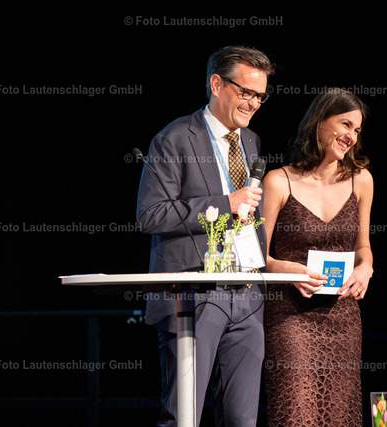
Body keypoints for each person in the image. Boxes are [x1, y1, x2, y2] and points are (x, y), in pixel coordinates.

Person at [136, 45, 275, 426]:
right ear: (217, 84)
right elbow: (150, 215)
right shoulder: (175, 138)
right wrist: (225, 203)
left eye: (260, 96)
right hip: (193, 296)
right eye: (246, 92)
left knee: (242, 419)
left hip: (246, 295)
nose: (254, 103)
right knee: (184, 416)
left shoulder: (251, 141)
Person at [262, 88, 374, 425]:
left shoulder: (361, 181)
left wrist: (366, 268)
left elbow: (363, 247)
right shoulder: (278, 181)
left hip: (343, 317)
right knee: (297, 412)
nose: (351, 136)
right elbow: (256, 256)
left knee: (338, 413)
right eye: (345, 124)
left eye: (357, 130)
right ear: (319, 121)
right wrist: (286, 269)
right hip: (290, 316)